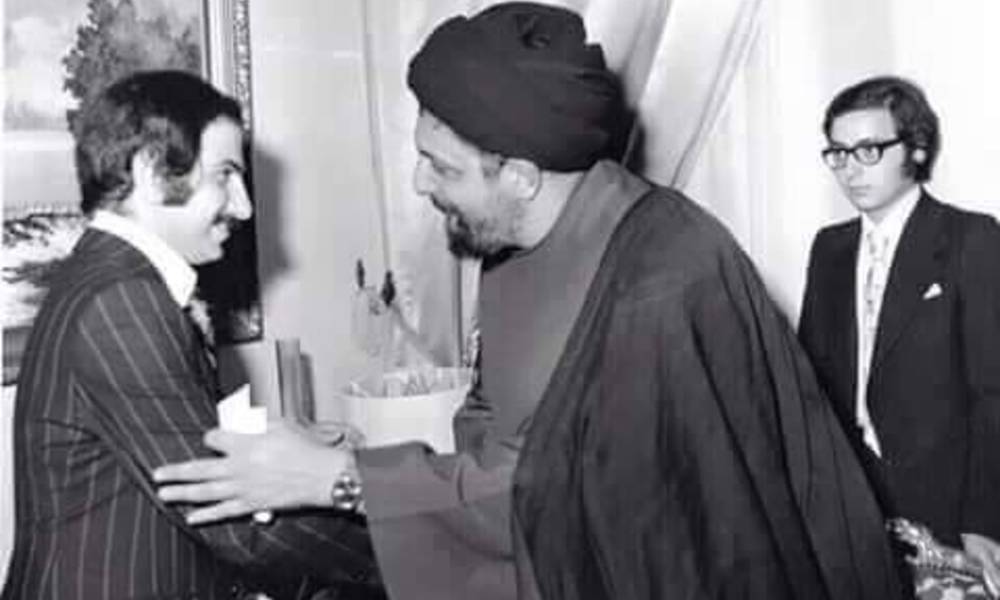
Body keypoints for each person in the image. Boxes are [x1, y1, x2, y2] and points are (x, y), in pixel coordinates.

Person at [154, 4, 906, 599]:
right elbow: (501, 438)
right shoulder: (513, 242)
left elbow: (572, 497)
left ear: (519, 175)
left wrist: (339, 479)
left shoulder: (665, 280)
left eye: (440, 167)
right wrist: (346, 458)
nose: (419, 183)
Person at [2, 70, 383, 600]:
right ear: (150, 171)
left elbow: (170, 440)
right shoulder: (124, 300)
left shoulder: (111, 276)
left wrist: (284, 451)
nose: (244, 207)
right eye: (225, 175)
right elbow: (237, 528)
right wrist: (405, 543)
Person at [798, 75, 1000, 589]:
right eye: (838, 153)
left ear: (916, 148)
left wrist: (983, 521)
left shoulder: (971, 238)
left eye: (868, 150)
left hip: (949, 515)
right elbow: (811, 389)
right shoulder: (829, 249)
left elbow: (993, 392)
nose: (849, 169)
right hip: (852, 512)